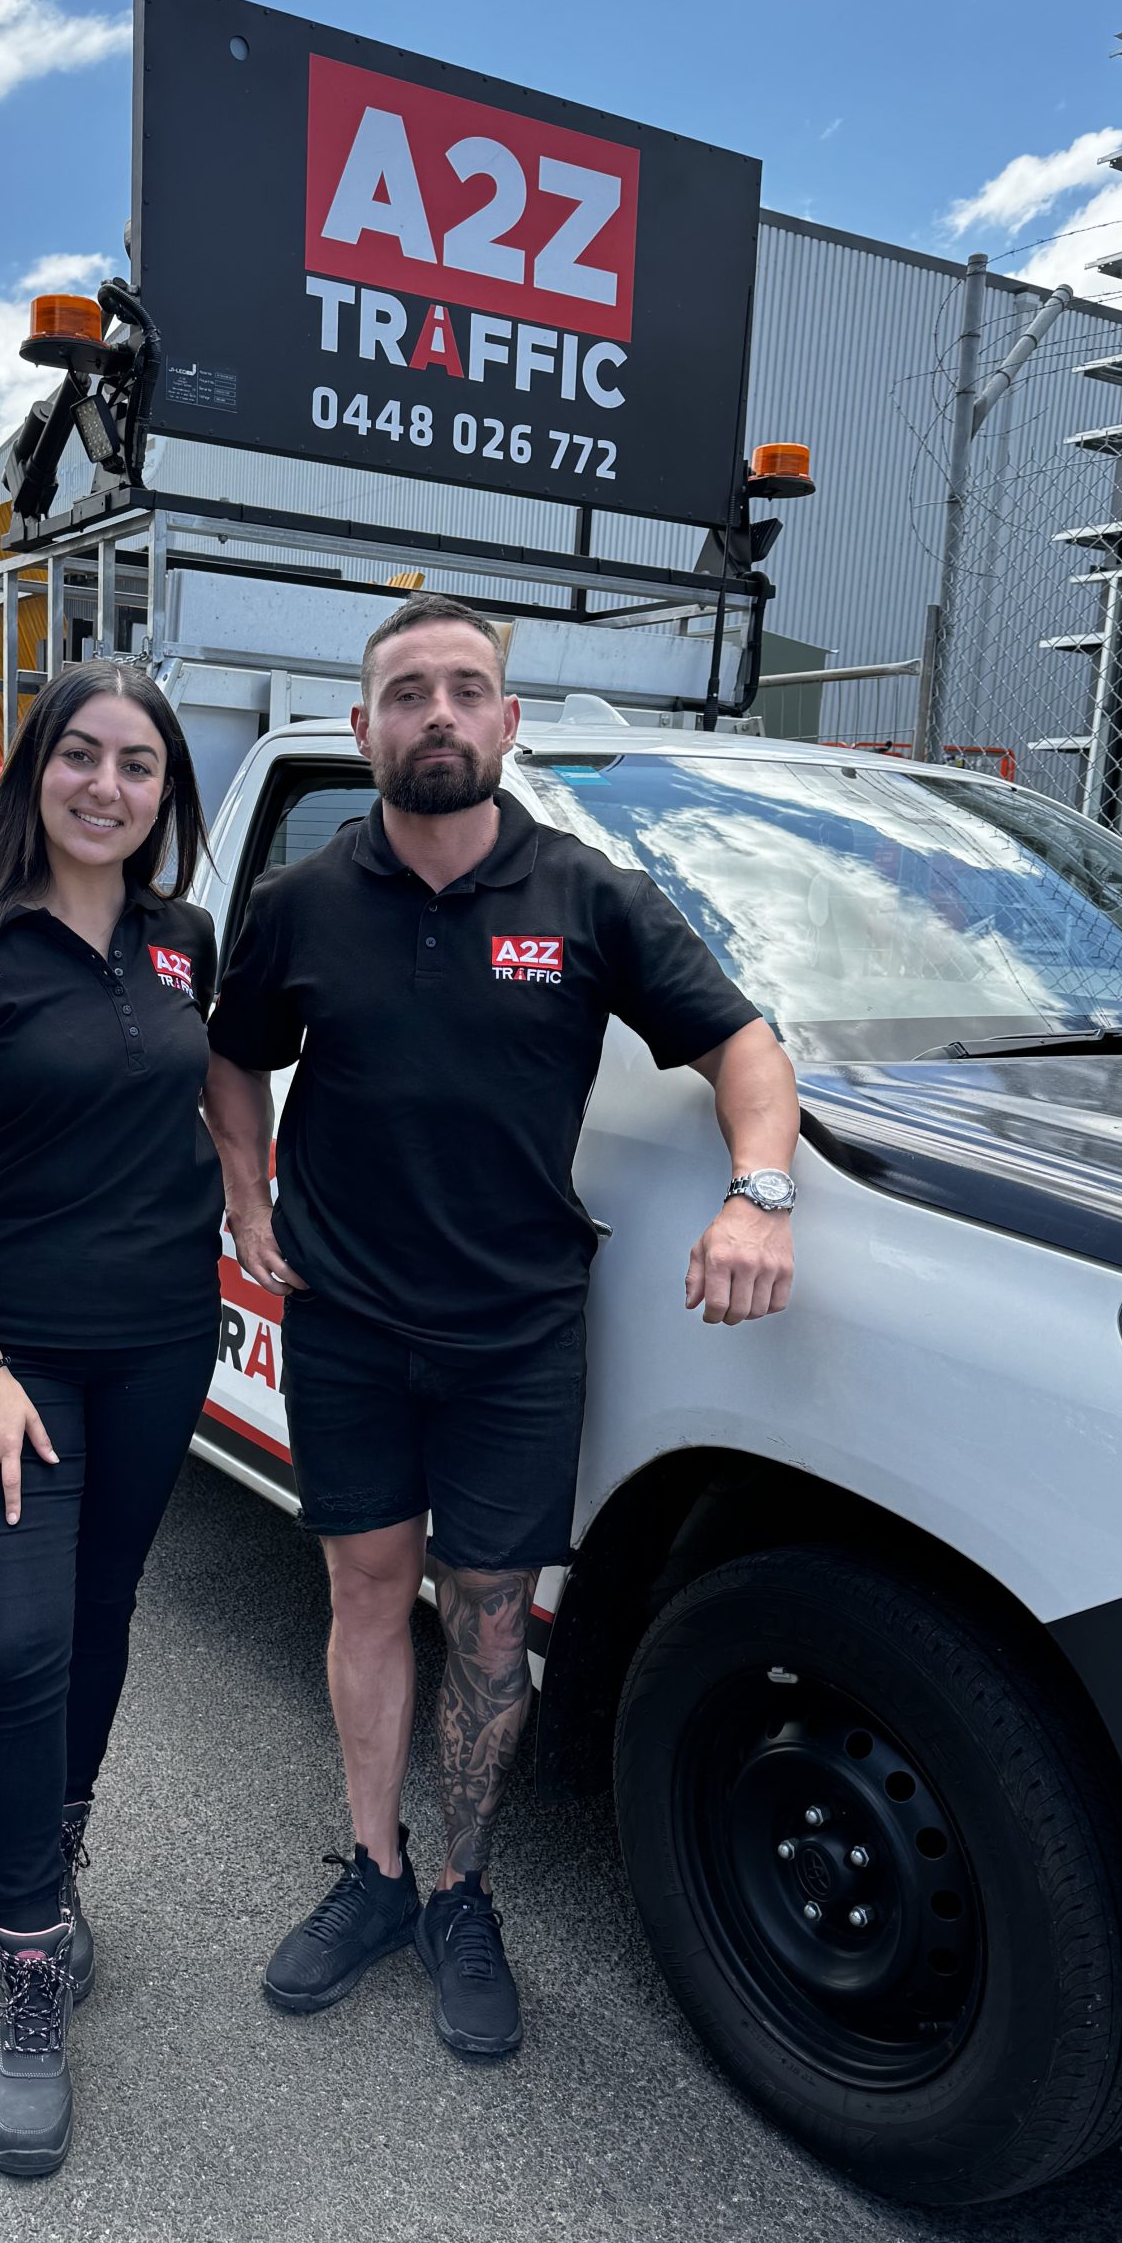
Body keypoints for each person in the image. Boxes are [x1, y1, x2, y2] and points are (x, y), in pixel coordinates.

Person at [203, 593, 799, 2060]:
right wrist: (247, 1189)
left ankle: (463, 1890)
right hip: (346, 1319)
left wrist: (761, 1194)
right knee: (362, 1596)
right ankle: (378, 1871)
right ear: (364, 731)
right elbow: (230, 1060)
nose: (440, 716)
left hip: (516, 1335)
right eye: (408, 694)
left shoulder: (588, 899)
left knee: (484, 1627)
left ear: (509, 723)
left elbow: (742, 1044)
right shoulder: (299, 906)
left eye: (468, 690)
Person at [0, 660, 223, 2177]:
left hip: (158, 1348)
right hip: (12, 1365)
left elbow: (219, 1102)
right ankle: (25, 1958)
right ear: (35, 774)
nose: (107, 786)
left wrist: (257, 1205)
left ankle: (55, 1869)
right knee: (17, 1644)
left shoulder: (183, 946)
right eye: (81, 756)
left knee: (99, 1617)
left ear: (166, 797)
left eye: (138, 765)